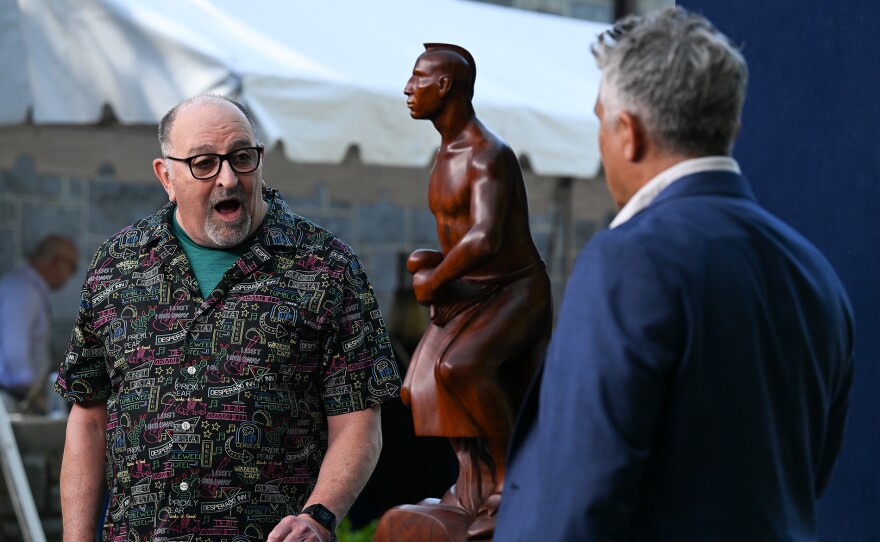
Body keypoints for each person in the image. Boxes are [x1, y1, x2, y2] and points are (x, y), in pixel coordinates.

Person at [496, 8, 854, 542]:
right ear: (730, 126)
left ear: (628, 133)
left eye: (600, 120)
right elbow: (805, 476)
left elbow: (575, 501)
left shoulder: (626, 261)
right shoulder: (814, 271)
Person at [55, 95, 401, 542]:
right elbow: (88, 416)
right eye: (204, 163)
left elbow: (358, 419)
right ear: (167, 176)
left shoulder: (327, 268)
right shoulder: (116, 265)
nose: (228, 178)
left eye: (242, 157)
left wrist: (319, 516)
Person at [399, 43, 552, 537]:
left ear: (445, 87)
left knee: (461, 366)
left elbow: (485, 237)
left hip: (514, 288)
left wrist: (435, 280)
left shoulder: (489, 155)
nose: (407, 88)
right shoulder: (444, 152)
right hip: (469, 287)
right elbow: (459, 235)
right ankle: (471, 485)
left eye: (418, 78)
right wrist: (433, 265)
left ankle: (513, 481)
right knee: (416, 387)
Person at [0, 234, 78, 413]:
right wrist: (40, 401)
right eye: (72, 267)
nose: (70, 276)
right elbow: (15, 354)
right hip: (8, 400)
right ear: (57, 261)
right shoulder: (23, 290)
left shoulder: (28, 288)